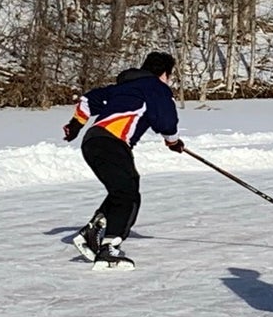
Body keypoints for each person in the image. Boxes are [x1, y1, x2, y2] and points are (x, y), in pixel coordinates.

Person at [62, 50, 183, 272]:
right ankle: (109, 248)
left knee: (121, 189)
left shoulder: (122, 87)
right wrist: (173, 142)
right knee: (129, 194)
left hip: (92, 141)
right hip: (113, 143)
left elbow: (88, 101)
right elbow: (165, 121)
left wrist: (75, 126)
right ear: (164, 74)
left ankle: (92, 233)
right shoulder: (156, 88)